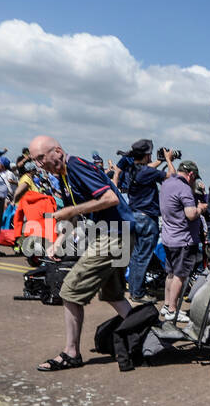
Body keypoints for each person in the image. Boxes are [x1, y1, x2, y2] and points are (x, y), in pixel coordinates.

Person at [29, 135, 136, 372]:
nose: (39, 164)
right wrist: (60, 242)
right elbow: (77, 217)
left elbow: (109, 198)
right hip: (117, 233)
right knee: (114, 294)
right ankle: (141, 338)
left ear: (57, 151)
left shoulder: (76, 165)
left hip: (115, 234)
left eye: (41, 158)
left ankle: (71, 353)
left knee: (70, 291)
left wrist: (69, 210)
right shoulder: (64, 176)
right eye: (35, 160)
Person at [111, 140, 173, 301]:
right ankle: (137, 293)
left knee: (136, 256)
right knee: (143, 257)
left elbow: (148, 169)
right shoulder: (146, 172)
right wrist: (168, 160)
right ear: (146, 155)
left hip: (134, 215)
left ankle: (133, 290)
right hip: (147, 218)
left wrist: (159, 160)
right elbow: (171, 177)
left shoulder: (132, 169)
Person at [158, 160, 207, 325]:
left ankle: (166, 305)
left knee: (170, 273)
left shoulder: (167, 183)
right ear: (191, 175)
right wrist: (201, 208)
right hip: (183, 239)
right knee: (180, 275)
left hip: (168, 237)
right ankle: (173, 310)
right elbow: (191, 214)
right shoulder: (184, 188)